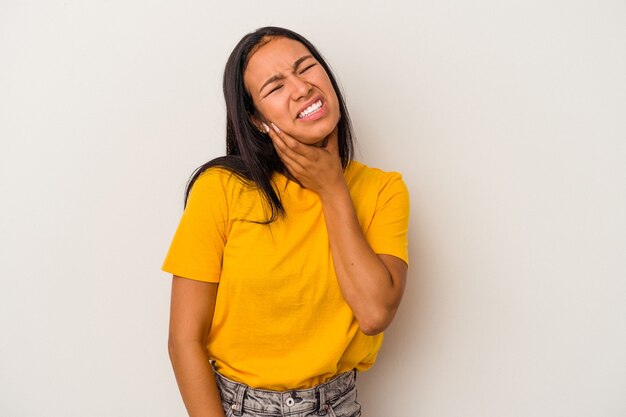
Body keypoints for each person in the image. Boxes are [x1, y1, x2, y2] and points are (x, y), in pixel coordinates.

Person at [163, 26, 410, 417]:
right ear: (258, 120)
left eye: (306, 68)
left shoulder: (383, 190)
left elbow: (374, 313)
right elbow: (183, 339)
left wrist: (332, 190)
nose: (301, 88)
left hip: (336, 406)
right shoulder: (221, 189)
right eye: (275, 87)